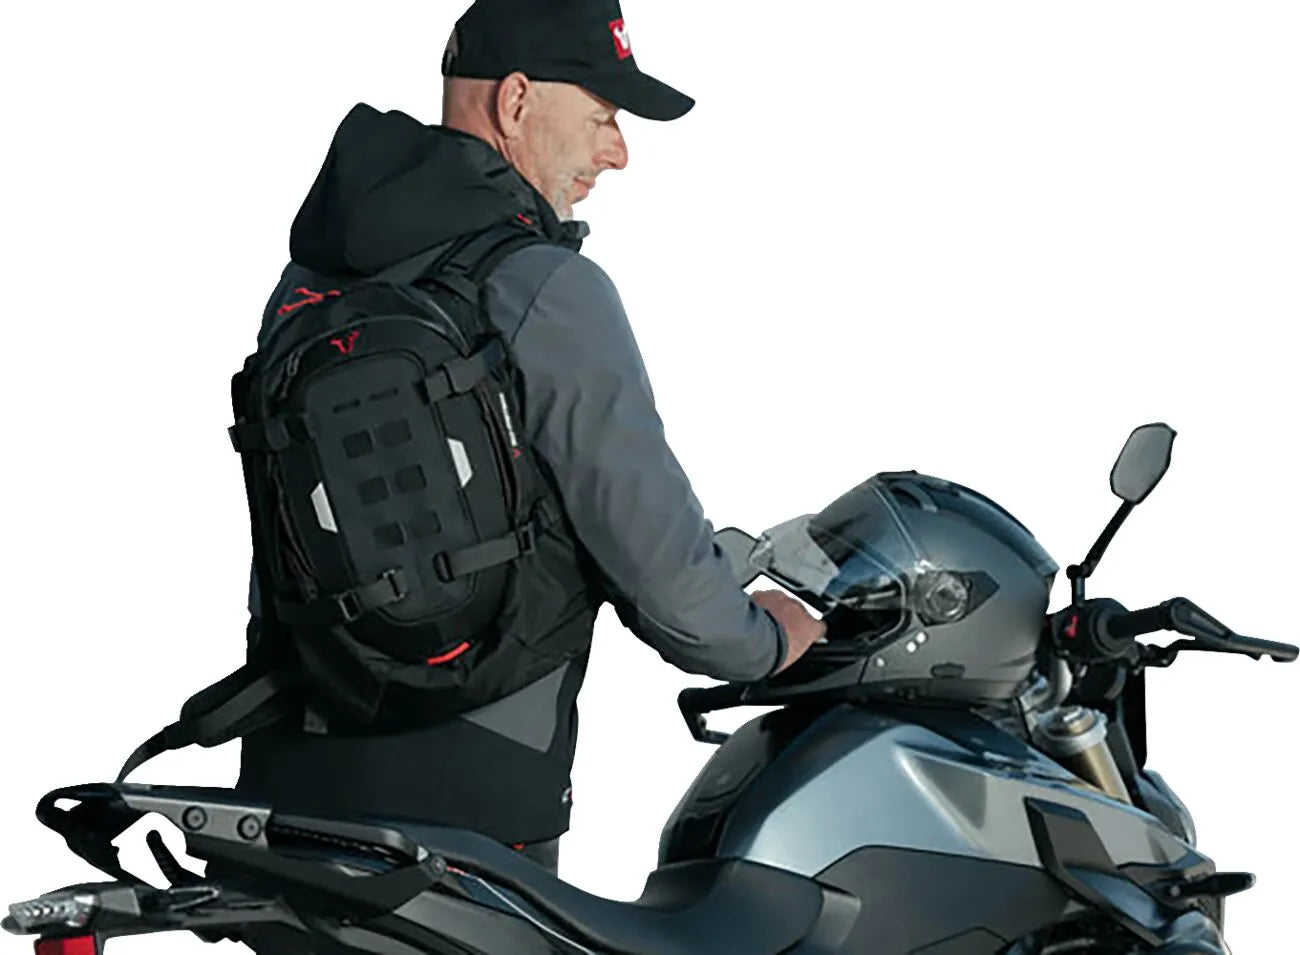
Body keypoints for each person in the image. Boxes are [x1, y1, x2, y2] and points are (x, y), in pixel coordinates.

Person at [234, 0, 825, 881]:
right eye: (602, 116)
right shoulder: (542, 285)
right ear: (515, 102)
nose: (616, 153)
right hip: (470, 811)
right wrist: (767, 639)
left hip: (288, 785)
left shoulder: (310, 279)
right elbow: (666, 581)